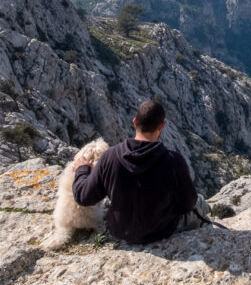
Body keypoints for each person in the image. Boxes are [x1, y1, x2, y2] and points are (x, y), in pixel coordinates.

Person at [72, 99, 210, 243]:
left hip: (121, 231)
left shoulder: (110, 156)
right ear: (161, 126)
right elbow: (186, 205)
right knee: (199, 201)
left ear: (134, 122)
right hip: (161, 231)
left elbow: (83, 197)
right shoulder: (173, 161)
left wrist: (82, 170)